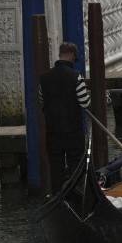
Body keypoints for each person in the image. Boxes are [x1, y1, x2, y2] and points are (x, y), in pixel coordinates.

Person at [38, 42, 91, 193]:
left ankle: (57, 196)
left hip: (53, 132)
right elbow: (85, 102)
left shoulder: (44, 78)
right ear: (72, 56)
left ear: (60, 54)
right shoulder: (76, 77)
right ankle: (75, 195)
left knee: (56, 168)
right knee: (75, 166)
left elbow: (41, 101)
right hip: (72, 132)